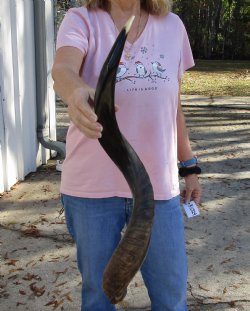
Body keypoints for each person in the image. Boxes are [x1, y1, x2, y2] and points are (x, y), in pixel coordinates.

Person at [52, 0, 202, 310]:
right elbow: (63, 69)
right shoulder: (81, 20)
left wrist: (189, 166)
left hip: (157, 189)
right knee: (98, 295)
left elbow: (174, 105)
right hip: (91, 189)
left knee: (171, 297)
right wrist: (77, 92)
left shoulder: (172, 26)